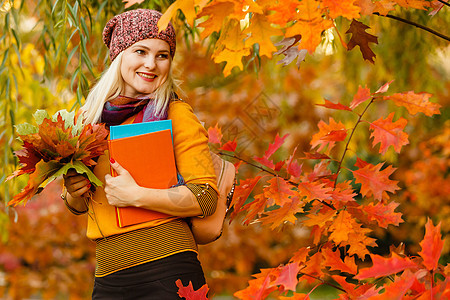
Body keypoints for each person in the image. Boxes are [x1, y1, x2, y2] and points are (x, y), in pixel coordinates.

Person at [61, 9, 218, 299]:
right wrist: (73, 190)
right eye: (141, 51)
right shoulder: (89, 121)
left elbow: (206, 197)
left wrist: (137, 196)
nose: (151, 64)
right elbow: (80, 206)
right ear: (120, 55)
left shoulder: (175, 113)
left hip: (169, 270)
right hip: (108, 275)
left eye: (162, 55)